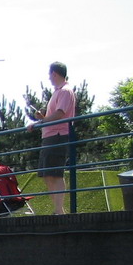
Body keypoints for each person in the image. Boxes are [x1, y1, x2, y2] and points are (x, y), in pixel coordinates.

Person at [28, 61, 76, 215]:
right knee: (47, 174)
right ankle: (58, 209)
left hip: (58, 135)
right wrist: (43, 118)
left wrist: (40, 121)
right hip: (50, 135)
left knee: (55, 173)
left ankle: (59, 211)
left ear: (54, 73)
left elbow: (60, 113)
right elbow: (55, 115)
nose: (49, 78)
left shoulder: (64, 91)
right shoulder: (58, 92)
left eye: (50, 74)